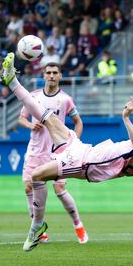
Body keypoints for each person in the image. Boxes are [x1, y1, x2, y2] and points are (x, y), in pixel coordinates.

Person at [0, 52, 133, 252]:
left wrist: (126, 118)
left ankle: (36, 227)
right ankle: (12, 81)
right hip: (85, 151)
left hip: (89, 164)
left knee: (37, 175)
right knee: (46, 116)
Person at [18, 62, 86, 244]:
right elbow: (21, 118)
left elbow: (78, 122)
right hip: (35, 150)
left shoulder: (65, 100)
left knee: (59, 188)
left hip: (57, 152)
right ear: (43, 75)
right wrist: (30, 125)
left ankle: (78, 225)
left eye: (55, 72)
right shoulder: (33, 97)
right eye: (48, 73)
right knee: (28, 186)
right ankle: (39, 230)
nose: (51, 76)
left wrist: (73, 144)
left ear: (60, 75)